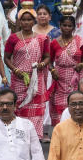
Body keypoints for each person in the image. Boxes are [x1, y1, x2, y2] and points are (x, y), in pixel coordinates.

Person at [3, 10, 51, 139]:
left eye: (29, 20)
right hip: (19, 79)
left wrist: (42, 64)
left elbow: (47, 57)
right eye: (23, 20)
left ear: (34, 21)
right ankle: (20, 136)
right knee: (19, 107)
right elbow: (6, 58)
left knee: (36, 110)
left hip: (36, 79)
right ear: (19, 22)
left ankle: (35, 137)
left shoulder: (42, 38)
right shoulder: (13, 38)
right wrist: (15, 69)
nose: (26, 22)